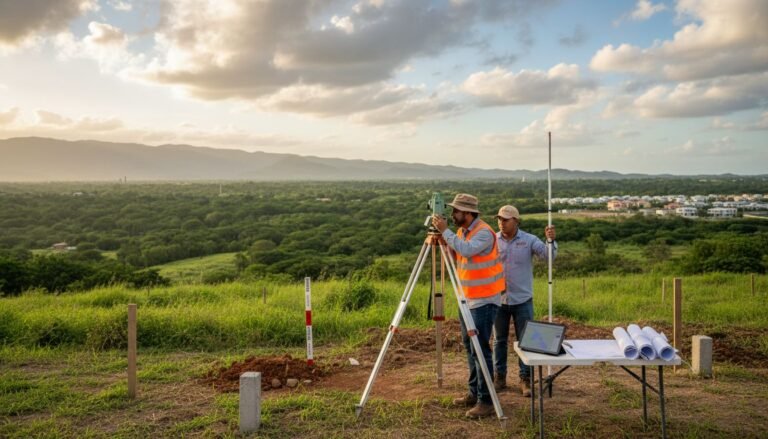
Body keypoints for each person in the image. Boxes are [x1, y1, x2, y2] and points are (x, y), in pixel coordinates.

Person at [432, 193, 505, 418]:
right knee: (470, 348)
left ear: (468, 213)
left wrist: (446, 232)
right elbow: (458, 257)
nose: (452, 215)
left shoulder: (484, 232)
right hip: (468, 298)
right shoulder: (464, 231)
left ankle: (486, 401)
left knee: (480, 350)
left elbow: (466, 250)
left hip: (483, 300)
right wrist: (444, 243)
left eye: (456, 211)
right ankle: (474, 392)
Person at [492, 205, 556, 397]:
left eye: (506, 219)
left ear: (516, 221)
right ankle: (499, 378)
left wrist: (550, 241)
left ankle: (525, 379)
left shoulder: (529, 240)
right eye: (499, 219)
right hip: (498, 299)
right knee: (499, 340)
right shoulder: (492, 240)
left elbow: (548, 257)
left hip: (522, 299)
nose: (501, 223)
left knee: (525, 341)